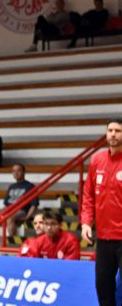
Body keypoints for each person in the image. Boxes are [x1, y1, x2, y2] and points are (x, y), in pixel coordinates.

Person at [81, 119, 122, 306]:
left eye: (118, 131)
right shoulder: (97, 160)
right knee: (103, 288)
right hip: (104, 239)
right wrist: (86, 223)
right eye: (110, 130)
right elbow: (88, 194)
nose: (113, 134)